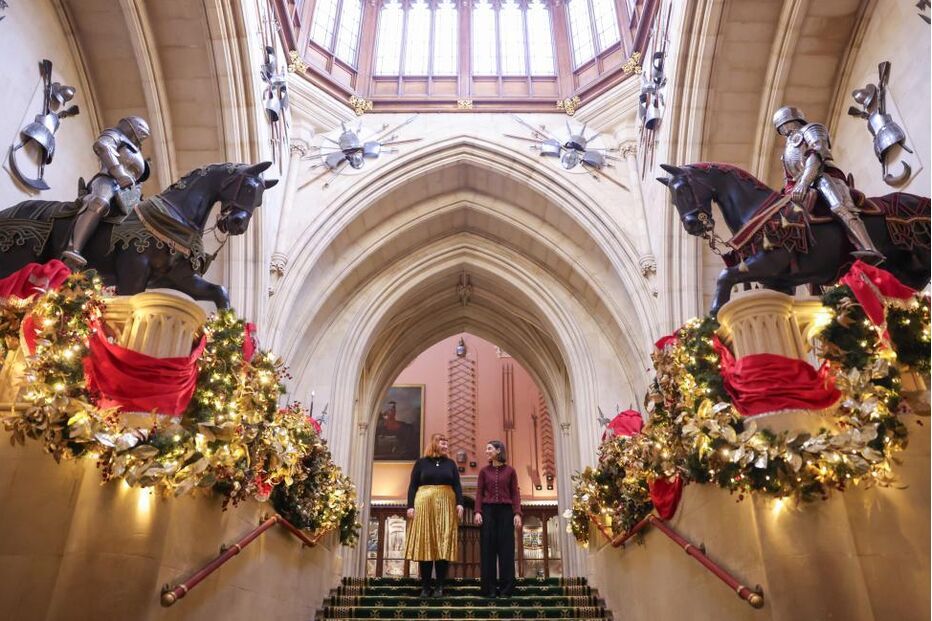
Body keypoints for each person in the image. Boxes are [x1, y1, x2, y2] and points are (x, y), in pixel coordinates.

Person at [772, 105, 884, 263]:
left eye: (783, 125)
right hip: (802, 187)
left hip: (823, 176)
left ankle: (870, 248)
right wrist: (786, 195)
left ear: (791, 121)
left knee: (839, 205)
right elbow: (789, 179)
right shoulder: (786, 152)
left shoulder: (812, 129)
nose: (783, 131)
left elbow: (816, 156)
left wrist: (804, 183)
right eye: (780, 129)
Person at [62, 116, 151, 268]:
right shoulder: (116, 134)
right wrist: (118, 172)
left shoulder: (139, 154)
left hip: (130, 194)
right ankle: (74, 249)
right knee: (99, 202)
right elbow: (102, 146)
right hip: (108, 179)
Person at [404, 433, 464, 598]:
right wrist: (410, 506)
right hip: (424, 505)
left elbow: (457, 485)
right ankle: (425, 586)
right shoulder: (421, 463)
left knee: (442, 544)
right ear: (434, 443)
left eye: (446, 443)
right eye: (442, 442)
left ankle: (439, 586)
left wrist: (460, 503)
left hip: (446, 505)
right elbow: (412, 486)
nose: (446, 445)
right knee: (426, 543)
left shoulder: (451, 464)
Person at [474, 440, 522, 599]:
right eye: (486, 448)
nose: (486, 451)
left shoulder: (510, 471)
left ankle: (506, 589)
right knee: (487, 550)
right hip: (487, 512)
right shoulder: (483, 471)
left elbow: (515, 493)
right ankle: (489, 589)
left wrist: (517, 513)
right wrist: (478, 512)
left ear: (498, 450)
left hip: (506, 513)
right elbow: (479, 493)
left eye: (489, 448)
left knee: (506, 550)